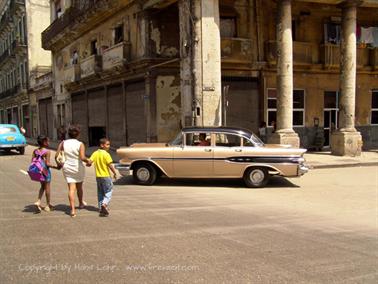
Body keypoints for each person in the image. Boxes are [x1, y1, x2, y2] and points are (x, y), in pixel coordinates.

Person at [56, 125, 90, 218]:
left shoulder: (63, 143)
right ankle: (80, 203)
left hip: (67, 167)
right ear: (78, 134)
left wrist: (59, 164)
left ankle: (72, 210)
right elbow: (82, 158)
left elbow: (56, 155)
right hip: (78, 167)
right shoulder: (80, 144)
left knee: (71, 189)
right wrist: (89, 161)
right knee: (79, 187)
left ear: (68, 134)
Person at [88, 138, 117, 217]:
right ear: (102, 145)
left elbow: (89, 162)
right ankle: (104, 204)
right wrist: (114, 172)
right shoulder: (106, 154)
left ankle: (101, 208)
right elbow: (110, 165)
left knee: (100, 192)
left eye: (109, 144)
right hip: (106, 176)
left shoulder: (95, 153)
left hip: (98, 177)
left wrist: (88, 163)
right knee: (109, 190)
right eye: (107, 144)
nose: (109, 146)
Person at [33, 135, 59, 213]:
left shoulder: (35, 151)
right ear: (44, 142)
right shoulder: (47, 151)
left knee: (42, 186)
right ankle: (48, 205)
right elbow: (47, 164)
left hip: (38, 171)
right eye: (48, 141)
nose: (49, 142)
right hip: (45, 171)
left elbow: (32, 161)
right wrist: (56, 167)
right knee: (47, 187)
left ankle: (38, 201)